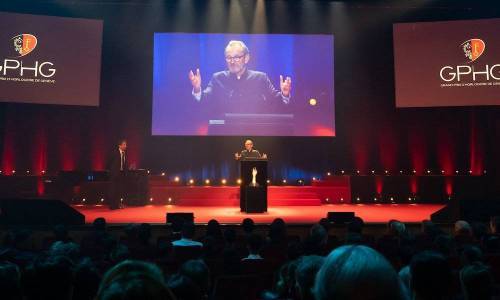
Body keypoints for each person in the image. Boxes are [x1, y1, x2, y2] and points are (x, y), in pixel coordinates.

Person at [188, 40, 292, 115]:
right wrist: (197, 88)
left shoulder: (260, 78)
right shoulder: (218, 78)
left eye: (237, 57)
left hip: (254, 130)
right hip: (224, 132)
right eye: (229, 58)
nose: (232, 61)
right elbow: (204, 101)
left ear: (246, 58)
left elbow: (276, 101)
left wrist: (285, 94)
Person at [107, 139, 128, 210]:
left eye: (126, 144)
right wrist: (112, 171)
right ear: (120, 145)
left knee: (119, 190)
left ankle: (117, 205)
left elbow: (124, 164)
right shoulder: (114, 152)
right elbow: (109, 162)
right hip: (114, 174)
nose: (126, 146)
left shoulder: (124, 153)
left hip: (121, 174)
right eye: (124, 144)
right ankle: (112, 205)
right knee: (113, 190)